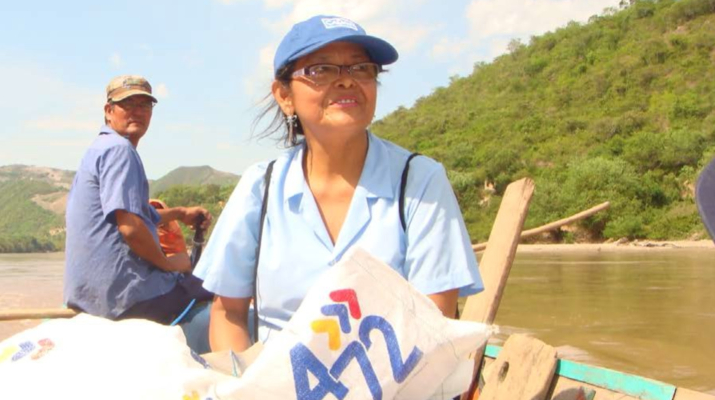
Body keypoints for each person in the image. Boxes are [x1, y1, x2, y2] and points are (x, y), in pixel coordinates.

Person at [192, 16, 484, 353]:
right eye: (321, 70)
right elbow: (229, 313)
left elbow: (434, 324)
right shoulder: (260, 187)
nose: (347, 81)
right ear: (284, 96)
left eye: (361, 68)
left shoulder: (419, 182)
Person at [63, 75, 213, 325]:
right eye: (127, 104)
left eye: (144, 105)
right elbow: (131, 228)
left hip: (86, 295)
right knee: (220, 291)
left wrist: (179, 213)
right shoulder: (120, 151)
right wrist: (168, 264)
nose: (137, 112)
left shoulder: (100, 148)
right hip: (125, 297)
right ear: (109, 111)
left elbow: (139, 216)